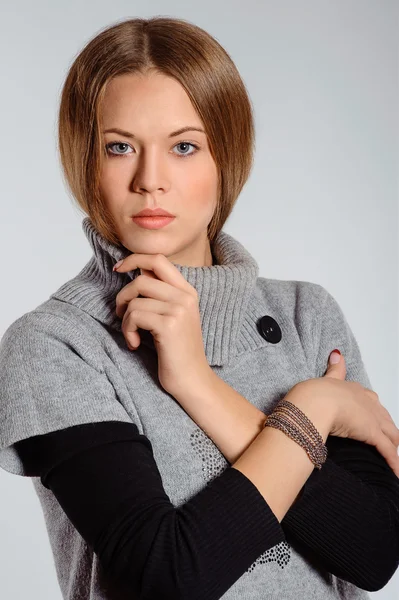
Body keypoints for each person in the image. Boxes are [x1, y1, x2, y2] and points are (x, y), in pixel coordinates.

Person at [0, 16, 398, 600]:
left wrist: (198, 386)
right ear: (85, 161)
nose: (150, 180)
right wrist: (312, 409)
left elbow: (373, 551)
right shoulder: (57, 343)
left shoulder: (306, 316)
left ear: (224, 159)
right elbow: (167, 577)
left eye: (183, 146)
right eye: (119, 148)